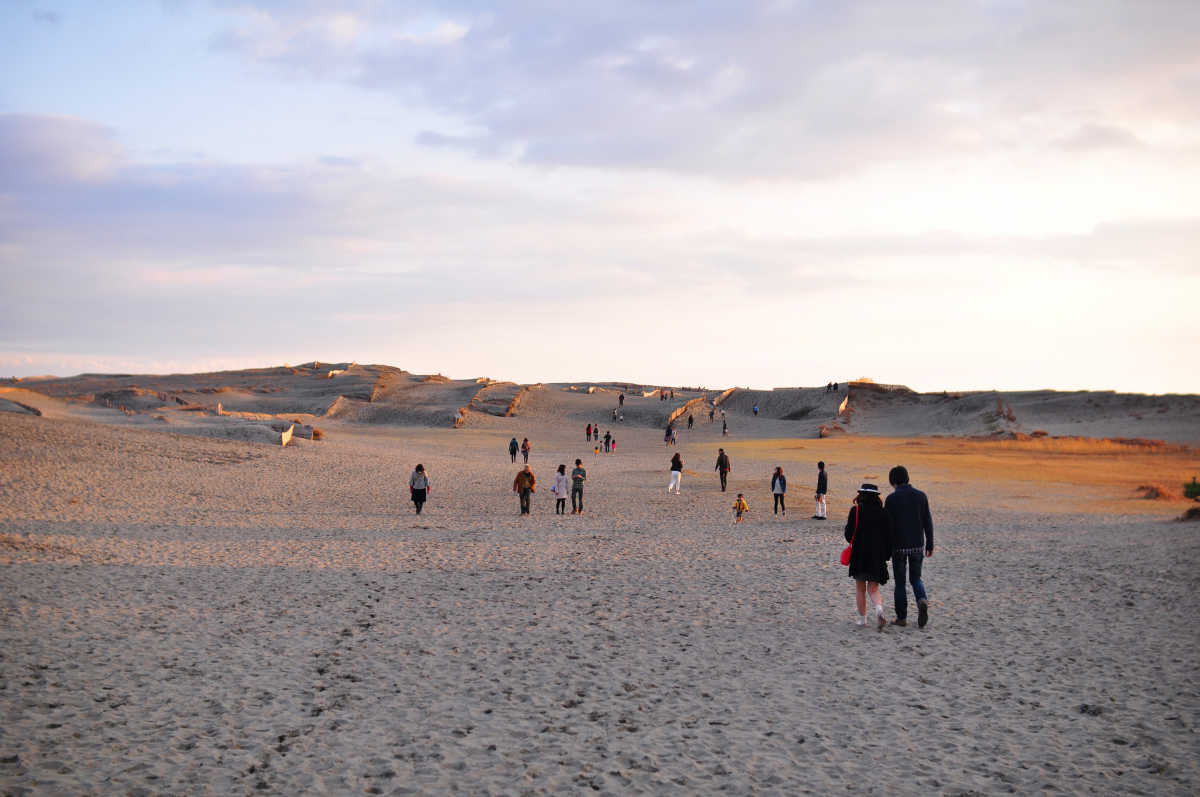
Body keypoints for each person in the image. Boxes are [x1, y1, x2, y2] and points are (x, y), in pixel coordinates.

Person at [884, 465, 934, 628]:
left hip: (898, 547)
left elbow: (888, 526)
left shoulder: (891, 499)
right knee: (915, 578)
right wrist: (930, 543)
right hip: (917, 546)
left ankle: (902, 618)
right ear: (907, 478)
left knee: (900, 583)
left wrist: (886, 548)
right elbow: (928, 521)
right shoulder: (921, 496)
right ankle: (921, 599)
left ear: (892, 481)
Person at [845, 483, 893, 630]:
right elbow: (889, 537)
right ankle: (879, 609)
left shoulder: (856, 511)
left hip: (859, 555)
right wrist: (886, 555)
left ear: (861, 495)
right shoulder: (884, 513)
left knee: (860, 589)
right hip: (877, 556)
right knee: (873, 589)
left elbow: (848, 535)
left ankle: (862, 619)